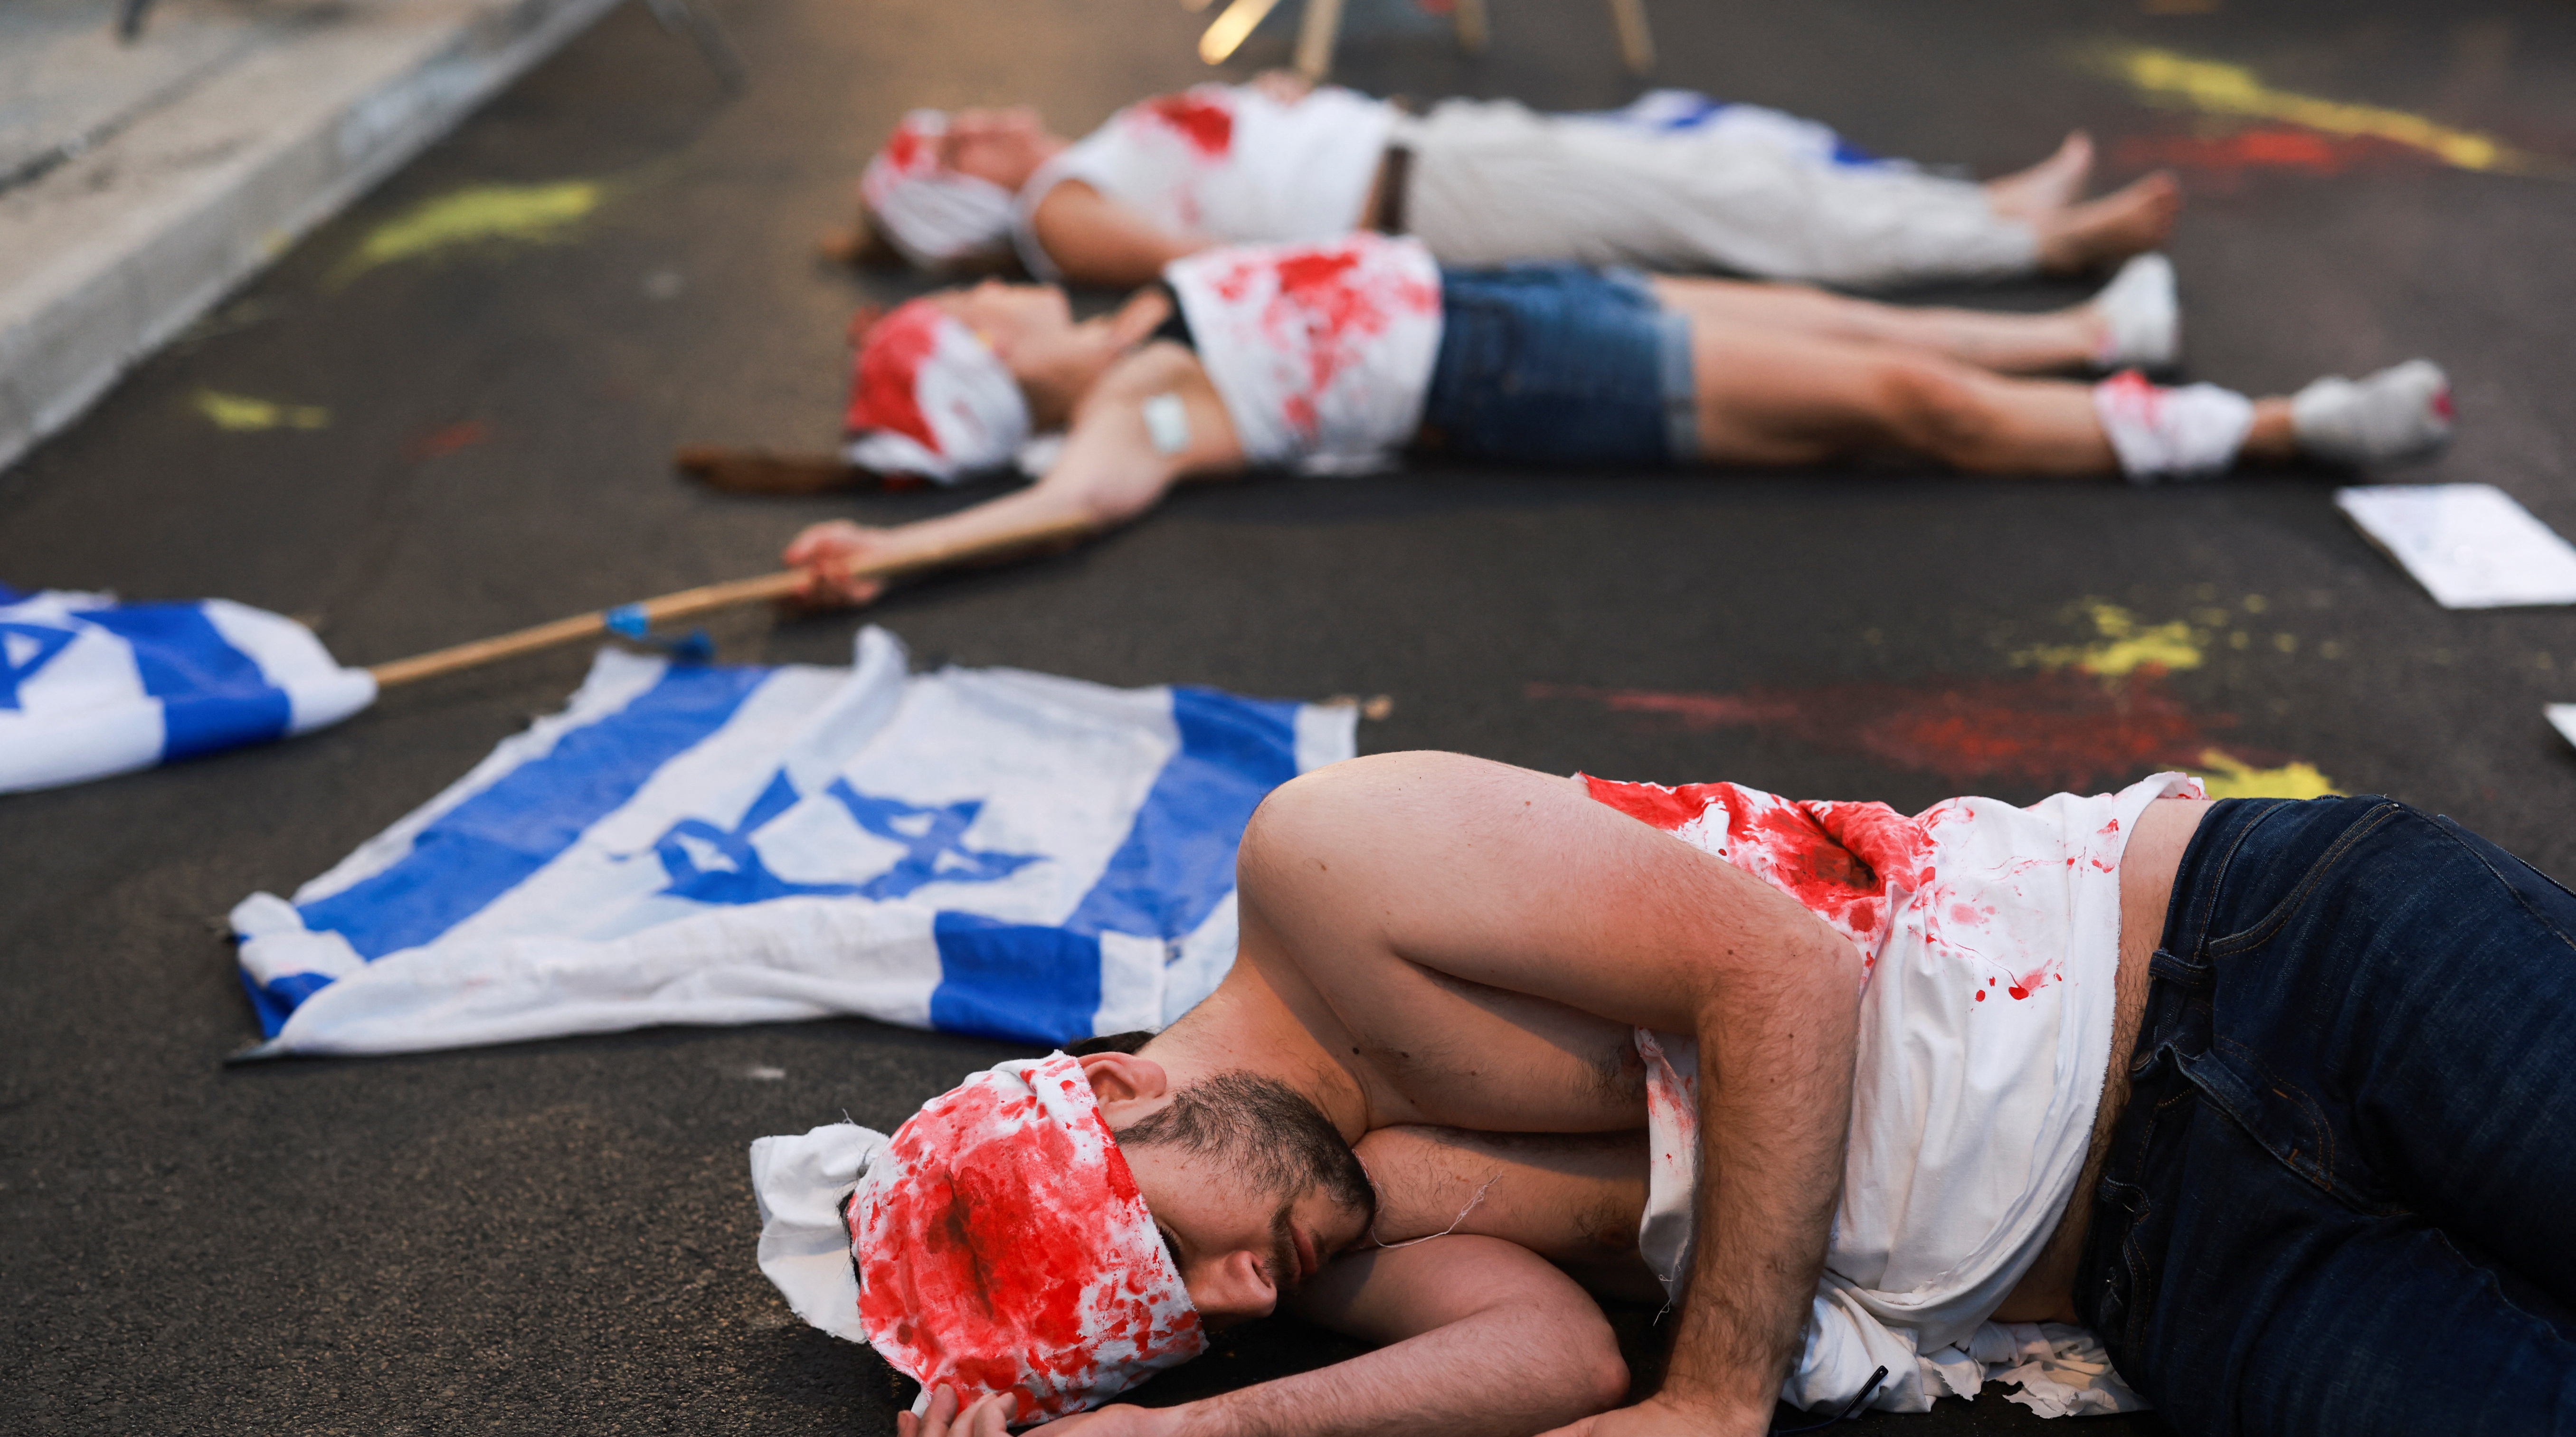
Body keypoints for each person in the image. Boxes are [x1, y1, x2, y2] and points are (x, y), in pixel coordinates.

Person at [751, 753, 2576, 1437]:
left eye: (1178, 1249)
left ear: (1119, 1088)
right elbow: (1545, 1362)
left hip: (2274, 964)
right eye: (1189, 1327)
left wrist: (1714, 1396)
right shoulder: (1324, 1228)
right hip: (2181, 1276)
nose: (1238, 1303)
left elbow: (1781, 973)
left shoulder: (1325, 865)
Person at [751, 233, 2449, 601]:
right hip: (1523, 379)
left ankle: (2096, 336)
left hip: (1521, 302)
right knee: (1907, 403)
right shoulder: (1136, 400)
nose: (998, 285)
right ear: (986, 372)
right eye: (972, 310)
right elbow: (1075, 505)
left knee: (1848, 319)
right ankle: (2275, 426)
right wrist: (893, 553)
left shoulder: (1132, 317)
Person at [845, 74, 2182, 292]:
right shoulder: (1062, 214)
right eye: (959, 145)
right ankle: (2026, 246)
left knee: (1728, 169)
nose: (987, 121)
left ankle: (1986, 212)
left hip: (1430, 157)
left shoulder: (1075, 171)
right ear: (963, 197)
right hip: (1427, 202)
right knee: (1739, 210)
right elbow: (1221, 271)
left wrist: (1275, 114)